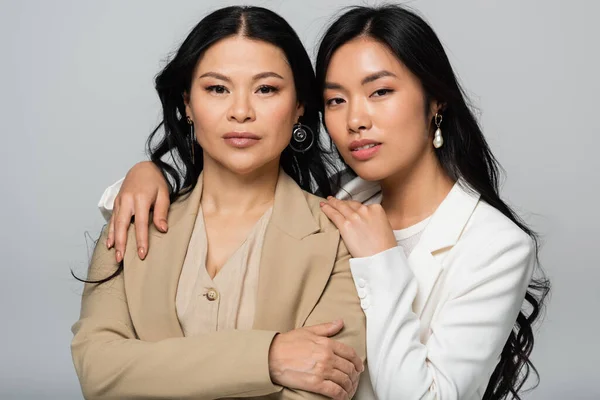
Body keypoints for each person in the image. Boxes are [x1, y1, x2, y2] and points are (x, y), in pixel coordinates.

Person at [100, 5, 550, 400]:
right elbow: (241, 182)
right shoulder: (336, 198)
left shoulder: (496, 246)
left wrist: (382, 261)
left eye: (381, 92)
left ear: (435, 101)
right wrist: (146, 174)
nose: (355, 119)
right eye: (336, 99)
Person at [72, 6, 366, 400]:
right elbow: (99, 371)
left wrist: (151, 370)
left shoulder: (341, 239)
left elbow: (329, 384)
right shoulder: (131, 217)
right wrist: (269, 358)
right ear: (187, 105)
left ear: (299, 105)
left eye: (266, 89)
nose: (241, 111)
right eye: (217, 88)